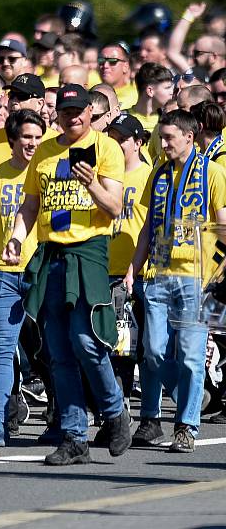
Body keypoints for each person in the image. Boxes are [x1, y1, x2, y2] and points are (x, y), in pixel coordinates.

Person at [4, 84, 131, 465]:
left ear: (90, 113)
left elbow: (114, 208)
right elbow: (30, 205)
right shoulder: (44, 151)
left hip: (89, 250)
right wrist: (15, 237)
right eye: (65, 111)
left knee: (86, 341)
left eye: (79, 110)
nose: (72, 117)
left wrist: (91, 182)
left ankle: (114, 412)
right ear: (55, 114)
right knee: (57, 350)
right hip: (51, 253)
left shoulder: (105, 148)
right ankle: (74, 436)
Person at [125, 110, 226, 453]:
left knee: (191, 356)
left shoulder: (213, 173)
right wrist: (132, 267)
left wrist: (218, 279)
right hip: (158, 275)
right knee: (151, 351)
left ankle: (186, 426)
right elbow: (146, 229)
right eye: (161, 137)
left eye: (169, 137)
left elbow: (223, 228)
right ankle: (189, 398)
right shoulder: (160, 173)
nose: (163, 143)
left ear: (190, 136)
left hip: (197, 279)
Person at [0, 109, 45, 446]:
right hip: (3, 273)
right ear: (13, 140)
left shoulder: (49, 174)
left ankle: (62, 419)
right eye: (26, 137)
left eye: (37, 137)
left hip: (41, 271)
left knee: (50, 349)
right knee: (1, 350)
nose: (32, 143)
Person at [105, 113, 151, 425]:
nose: (117, 144)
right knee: (114, 346)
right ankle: (116, 412)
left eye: (122, 139)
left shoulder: (148, 176)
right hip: (106, 268)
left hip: (135, 271)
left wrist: (137, 267)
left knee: (138, 348)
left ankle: (147, 413)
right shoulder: (107, 174)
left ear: (138, 142)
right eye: (113, 138)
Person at [0, 73, 58, 185]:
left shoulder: (55, 141)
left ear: (39, 103)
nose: (14, 101)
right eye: (12, 95)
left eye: (22, 96)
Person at [129, 63, 174, 134]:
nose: (172, 92)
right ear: (150, 91)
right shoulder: (121, 118)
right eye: (167, 88)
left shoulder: (171, 121)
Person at [98, 42, 137, 110]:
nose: (105, 65)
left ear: (126, 66)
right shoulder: (90, 96)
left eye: (113, 61)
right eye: (101, 61)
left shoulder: (138, 96)